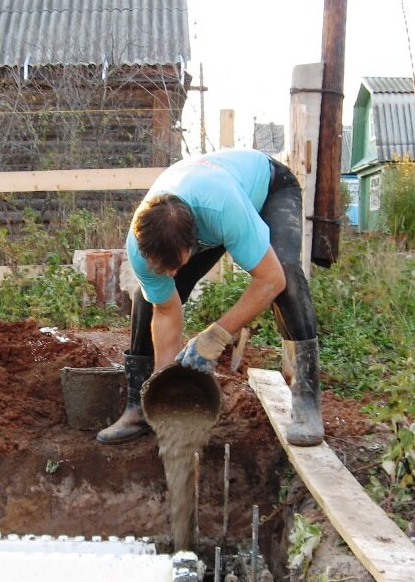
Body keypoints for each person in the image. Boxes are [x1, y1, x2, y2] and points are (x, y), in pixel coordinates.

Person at [96, 148, 324, 447]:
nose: (175, 274)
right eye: (165, 269)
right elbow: (166, 309)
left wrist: (216, 336)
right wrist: (166, 384)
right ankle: (140, 405)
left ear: (195, 243)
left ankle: (306, 399)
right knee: (147, 299)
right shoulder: (140, 243)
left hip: (269, 187)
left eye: (178, 265)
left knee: (286, 272)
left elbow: (270, 280)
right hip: (205, 200)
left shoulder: (222, 211)